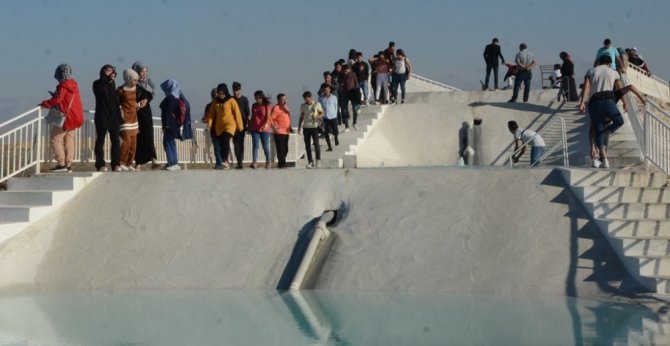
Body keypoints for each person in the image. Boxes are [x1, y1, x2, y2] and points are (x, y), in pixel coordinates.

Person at [579, 55, 625, 168]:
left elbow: (586, 87)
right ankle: (604, 157)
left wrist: (582, 102)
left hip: (594, 102)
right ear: (609, 63)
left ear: (599, 62)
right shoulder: (614, 72)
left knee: (597, 128)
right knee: (619, 121)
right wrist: (624, 102)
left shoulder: (591, 70)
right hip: (609, 102)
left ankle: (603, 157)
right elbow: (619, 89)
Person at [39, 64, 84, 173]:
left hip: (66, 118)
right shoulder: (74, 85)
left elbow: (57, 100)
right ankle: (68, 165)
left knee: (56, 140)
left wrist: (44, 104)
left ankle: (61, 164)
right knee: (69, 141)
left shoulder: (63, 86)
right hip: (76, 117)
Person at [92, 64, 122, 172]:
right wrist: (107, 79)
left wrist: (119, 114)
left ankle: (116, 164)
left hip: (113, 117)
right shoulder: (97, 83)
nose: (112, 72)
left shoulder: (112, 83)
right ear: (103, 71)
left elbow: (114, 101)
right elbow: (100, 91)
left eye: (113, 71)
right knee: (100, 140)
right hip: (101, 116)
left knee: (116, 141)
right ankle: (100, 165)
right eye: (109, 70)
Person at [207, 83, 243, 169]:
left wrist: (240, 126)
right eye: (219, 94)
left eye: (223, 93)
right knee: (222, 143)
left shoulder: (231, 100)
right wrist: (209, 125)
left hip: (230, 125)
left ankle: (225, 160)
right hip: (219, 126)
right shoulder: (215, 102)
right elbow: (211, 114)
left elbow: (237, 113)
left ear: (226, 92)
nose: (221, 95)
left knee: (225, 139)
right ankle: (225, 161)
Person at [159, 79, 193, 171]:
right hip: (175, 125)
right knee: (171, 142)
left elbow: (167, 112)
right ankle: (173, 162)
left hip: (170, 125)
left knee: (168, 143)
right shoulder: (177, 97)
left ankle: (172, 163)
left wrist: (166, 125)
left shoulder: (170, 98)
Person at [131, 61, 159, 170]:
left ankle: (153, 160)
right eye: (142, 71)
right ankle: (137, 163)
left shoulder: (148, 82)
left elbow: (150, 95)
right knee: (138, 136)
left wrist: (146, 100)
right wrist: (137, 104)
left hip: (146, 111)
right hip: (136, 112)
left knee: (149, 134)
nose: (144, 73)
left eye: (145, 71)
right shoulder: (133, 83)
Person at [117, 68, 143, 171]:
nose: (136, 82)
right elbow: (116, 102)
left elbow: (145, 95)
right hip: (125, 118)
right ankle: (121, 162)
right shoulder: (121, 90)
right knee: (126, 141)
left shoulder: (136, 88)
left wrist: (140, 103)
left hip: (134, 117)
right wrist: (120, 110)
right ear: (128, 79)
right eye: (134, 80)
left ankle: (129, 163)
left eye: (136, 80)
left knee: (133, 143)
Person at [298, 91, 324, 168]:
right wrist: (299, 127)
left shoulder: (316, 104)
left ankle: (318, 160)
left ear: (311, 97)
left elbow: (322, 113)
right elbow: (301, 116)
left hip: (314, 127)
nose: (306, 100)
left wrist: (316, 117)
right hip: (306, 127)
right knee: (307, 146)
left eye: (307, 99)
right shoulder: (303, 106)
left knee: (316, 144)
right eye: (305, 99)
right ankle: (310, 161)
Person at [249, 90, 273, 169]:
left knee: (265, 145)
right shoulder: (254, 105)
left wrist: (264, 125)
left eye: (258, 98)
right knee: (255, 145)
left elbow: (268, 117)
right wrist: (249, 126)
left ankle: (268, 162)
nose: (257, 99)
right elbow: (253, 117)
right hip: (255, 128)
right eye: (255, 98)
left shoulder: (267, 105)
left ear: (262, 97)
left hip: (264, 129)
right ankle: (254, 162)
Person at [202, 88, 223, 167]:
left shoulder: (222, 104)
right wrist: (205, 119)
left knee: (221, 147)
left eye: (216, 94)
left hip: (221, 128)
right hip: (214, 129)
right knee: (217, 147)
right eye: (213, 94)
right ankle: (219, 163)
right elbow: (206, 117)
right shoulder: (209, 106)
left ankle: (222, 162)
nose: (214, 95)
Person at [232, 82, 251, 169]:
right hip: (233, 125)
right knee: (235, 143)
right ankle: (239, 161)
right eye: (234, 90)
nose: (236, 92)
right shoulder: (231, 99)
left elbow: (248, 112)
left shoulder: (244, 99)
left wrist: (248, 123)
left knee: (240, 143)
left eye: (237, 90)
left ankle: (240, 162)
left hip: (242, 124)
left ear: (240, 90)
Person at [271, 93, 292, 168]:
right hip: (279, 132)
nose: (284, 100)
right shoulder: (276, 108)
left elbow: (288, 118)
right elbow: (271, 119)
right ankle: (282, 164)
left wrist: (290, 127)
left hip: (286, 131)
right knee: (281, 149)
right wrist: (274, 127)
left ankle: (281, 163)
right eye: (283, 99)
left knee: (286, 149)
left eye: (285, 99)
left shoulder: (286, 107)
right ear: (278, 100)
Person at [318, 84, 339, 152]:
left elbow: (336, 107)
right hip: (325, 117)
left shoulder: (334, 97)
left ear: (329, 90)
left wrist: (336, 115)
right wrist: (319, 116)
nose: (325, 91)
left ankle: (336, 138)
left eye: (326, 90)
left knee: (335, 130)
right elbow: (319, 108)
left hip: (333, 116)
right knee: (326, 132)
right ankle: (329, 146)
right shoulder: (320, 98)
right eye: (324, 90)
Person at [340, 65, 360, 130]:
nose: (346, 71)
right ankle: (347, 127)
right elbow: (340, 84)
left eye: (347, 70)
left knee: (355, 109)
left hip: (353, 92)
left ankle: (354, 123)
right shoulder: (341, 75)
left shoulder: (353, 74)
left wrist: (357, 92)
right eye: (345, 70)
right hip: (345, 93)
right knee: (344, 109)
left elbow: (356, 83)